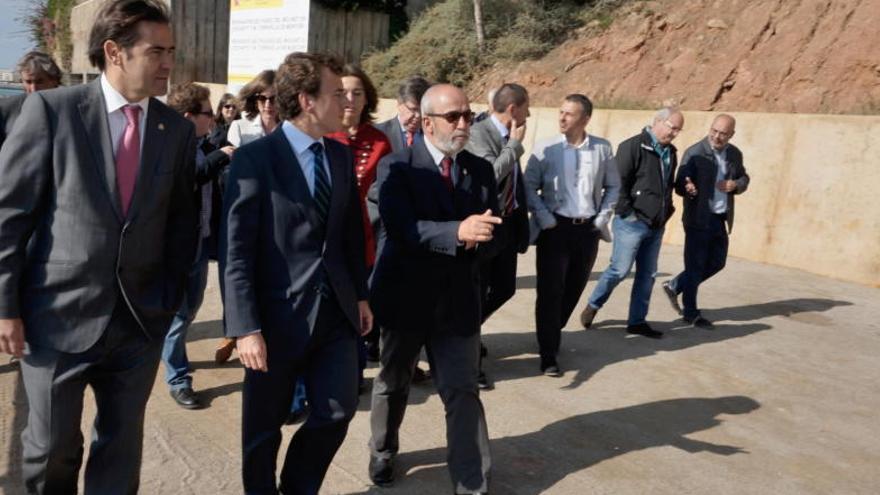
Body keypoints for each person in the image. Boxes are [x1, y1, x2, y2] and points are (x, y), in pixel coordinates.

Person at [0, 1, 198, 493]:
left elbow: (181, 225)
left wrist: (167, 300)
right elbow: (9, 219)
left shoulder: (174, 131)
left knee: (120, 451)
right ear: (114, 52)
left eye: (171, 51)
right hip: (55, 320)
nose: (168, 64)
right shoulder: (51, 111)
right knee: (49, 454)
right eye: (157, 52)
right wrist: (6, 308)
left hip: (138, 323)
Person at [221, 51, 373, 494]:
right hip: (274, 320)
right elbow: (237, 253)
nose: (347, 103)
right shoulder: (255, 161)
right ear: (307, 100)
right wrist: (245, 327)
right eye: (335, 94)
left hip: (336, 314)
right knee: (264, 431)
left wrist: (360, 295)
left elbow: (347, 236)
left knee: (337, 411)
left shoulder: (340, 158)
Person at [368, 84, 498, 494]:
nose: (463, 124)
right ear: (427, 122)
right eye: (453, 117)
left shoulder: (480, 170)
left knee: (462, 391)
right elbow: (403, 228)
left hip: (458, 300)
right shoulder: (398, 166)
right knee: (393, 383)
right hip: (406, 297)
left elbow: (495, 225)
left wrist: (485, 236)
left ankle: (470, 481)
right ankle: (383, 451)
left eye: (468, 116)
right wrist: (457, 232)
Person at [524, 94, 620, 375]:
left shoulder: (602, 149)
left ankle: (552, 329)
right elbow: (528, 186)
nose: (562, 118)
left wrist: (602, 217)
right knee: (550, 292)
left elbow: (613, 186)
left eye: (570, 114)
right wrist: (544, 218)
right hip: (555, 229)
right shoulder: (545, 149)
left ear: (585, 119)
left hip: (588, 230)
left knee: (574, 288)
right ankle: (548, 353)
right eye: (561, 112)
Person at [579, 107, 684, 339]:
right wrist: (628, 213)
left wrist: (669, 208)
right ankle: (594, 305)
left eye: (678, 129)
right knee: (619, 269)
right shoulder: (633, 146)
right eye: (672, 127)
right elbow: (617, 183)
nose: (675, 133)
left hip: (656, 224)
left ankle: (637, 321)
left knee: (647, 274)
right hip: (631, 222)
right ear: (658, 121)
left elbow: (666, 184)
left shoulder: (671, 152)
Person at [163, 82, 234, 409]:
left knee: (189, 309)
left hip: (200, 242)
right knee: (178, 316)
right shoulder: (170, 147)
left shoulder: (202, 142)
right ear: (190, 116)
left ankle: (172, 355)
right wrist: (222, 155)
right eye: (208, 113)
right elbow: (192, 175)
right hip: (178, 247)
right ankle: (178, 378)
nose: (213, 119)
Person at [326, 63, 392, 372]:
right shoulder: (321, 135)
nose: (349, 99)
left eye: (357, 92)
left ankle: (351, 369)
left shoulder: (380, 142)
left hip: (366, 241)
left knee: (359, 308)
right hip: (323, 241)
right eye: (342, 92)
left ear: (367, 99)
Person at [465, 82, 531, 389]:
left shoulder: (510, 137)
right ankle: (470, 364)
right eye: (527, 107)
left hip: (508, 224)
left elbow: (516, 181)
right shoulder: (479, 134)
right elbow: (488, 176)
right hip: (484, 226)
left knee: (505, 289)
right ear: (513, 109)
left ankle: (466, 331)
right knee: (476, 295)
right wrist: (514, 147)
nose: (530, 113)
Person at [662, 114, 749, 328]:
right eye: (715, 131)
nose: (717, 137)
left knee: (718, 262)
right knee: (695, 265)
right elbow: (680, 181)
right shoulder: (695, 152)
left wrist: (735, 184)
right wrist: (687, 186)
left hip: (720, 218)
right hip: (697, 218)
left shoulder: (734, 154)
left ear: (732, 135)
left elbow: (744, 178)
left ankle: (675, 285)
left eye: (723, 134)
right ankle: (690, 312)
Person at [0, 51, 63, 147]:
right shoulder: (6, 110)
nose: (33, 89)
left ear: (54, 80)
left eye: (39, 81)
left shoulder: (69, 109)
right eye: (28, 82)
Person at [374, 75, 431, 152]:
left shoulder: (432, 135)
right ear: (399, 104)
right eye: (413, 109)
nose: (418, 115)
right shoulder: (378, 134)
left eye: (422, 110)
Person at [226, 69, 279, 147]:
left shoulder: (289, 129)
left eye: (273, 99)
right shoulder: (239, 128)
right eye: (262, 98)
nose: (268, 104)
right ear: (255, 100)